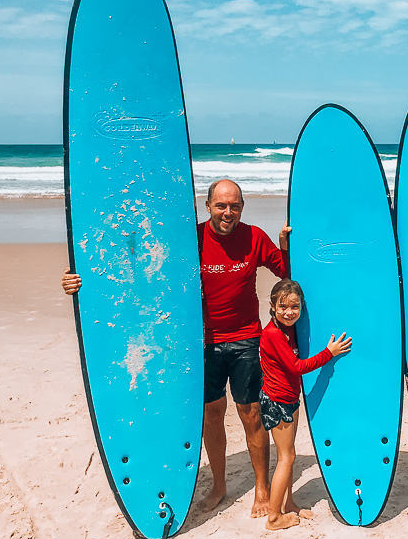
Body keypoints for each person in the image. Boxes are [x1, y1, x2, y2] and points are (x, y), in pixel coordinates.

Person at [61, 178, 291, 518]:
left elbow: (286, 272)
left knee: (251, 413)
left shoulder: (254, 237)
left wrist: (286, 246)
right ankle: (219, 485)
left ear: (242, 207)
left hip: (245, 339)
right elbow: (139, 272)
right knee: (212, 415)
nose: (229, 212)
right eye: (222, 205)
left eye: (235, 206)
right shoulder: (190, 239)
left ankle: (261, 487)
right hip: (201, 342)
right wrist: (80, 280)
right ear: (207, 205)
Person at [259, 279, 351, 530]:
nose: (289, 312)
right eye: (283, 307)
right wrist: (328, 353)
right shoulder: (273, 334)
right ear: (272, 306)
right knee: (286, 458)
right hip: (277, 402)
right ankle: (274, 517)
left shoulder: (288, 329)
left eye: (295, 307)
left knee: (290, 455)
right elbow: (297, 367)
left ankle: (288, 504)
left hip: (288, 398)